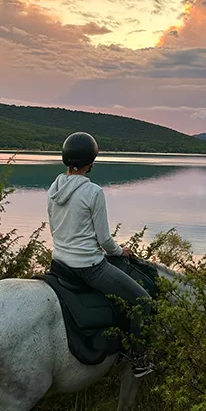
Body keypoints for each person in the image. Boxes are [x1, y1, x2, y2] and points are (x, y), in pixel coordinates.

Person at [46, 132, 156, 378]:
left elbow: (55, 229)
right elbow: (104, 240)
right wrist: (120, 251)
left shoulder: (53, 189)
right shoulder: (93, 192)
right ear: (91, 162)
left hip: (59, 264)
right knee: (143, 301)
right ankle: (139, 359)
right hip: (88, 267)